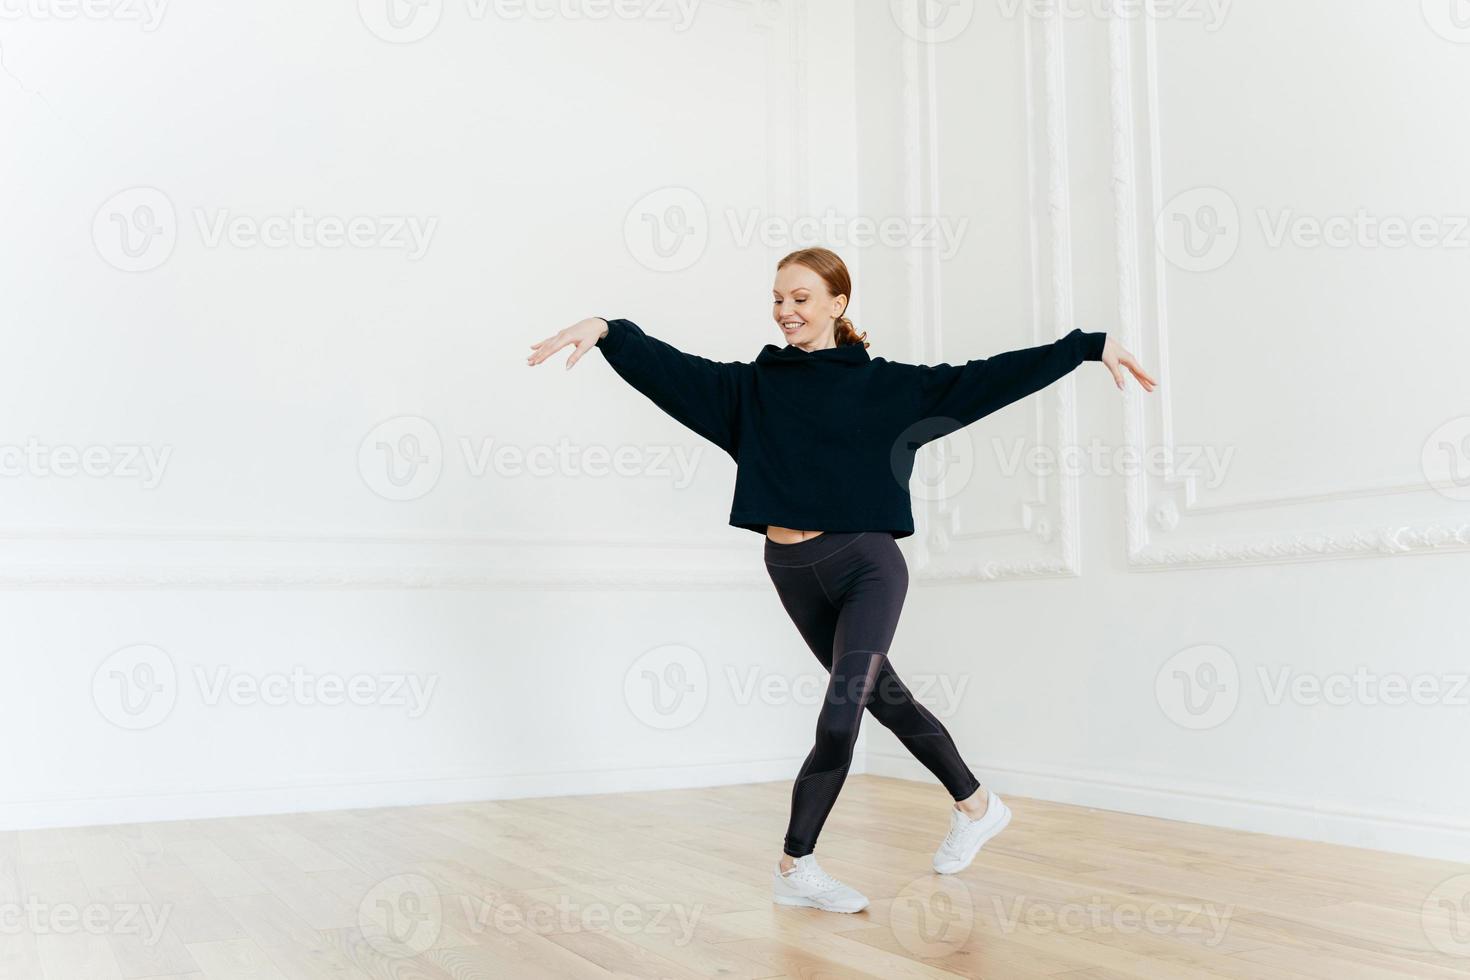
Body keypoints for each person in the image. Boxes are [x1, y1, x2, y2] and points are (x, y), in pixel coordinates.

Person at [527, 246, 1157, 913]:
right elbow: (673, 373)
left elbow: (982, 380)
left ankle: (795, 863)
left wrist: (1085, 347)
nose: (786, 311)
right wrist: (608, 331)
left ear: (837, 304)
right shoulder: (751, 390)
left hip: (866, 566)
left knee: (841, 710)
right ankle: (976, 805)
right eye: (777, 298)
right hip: (791, 571)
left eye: (801, 298)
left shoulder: (887, 388)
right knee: (883, 697)